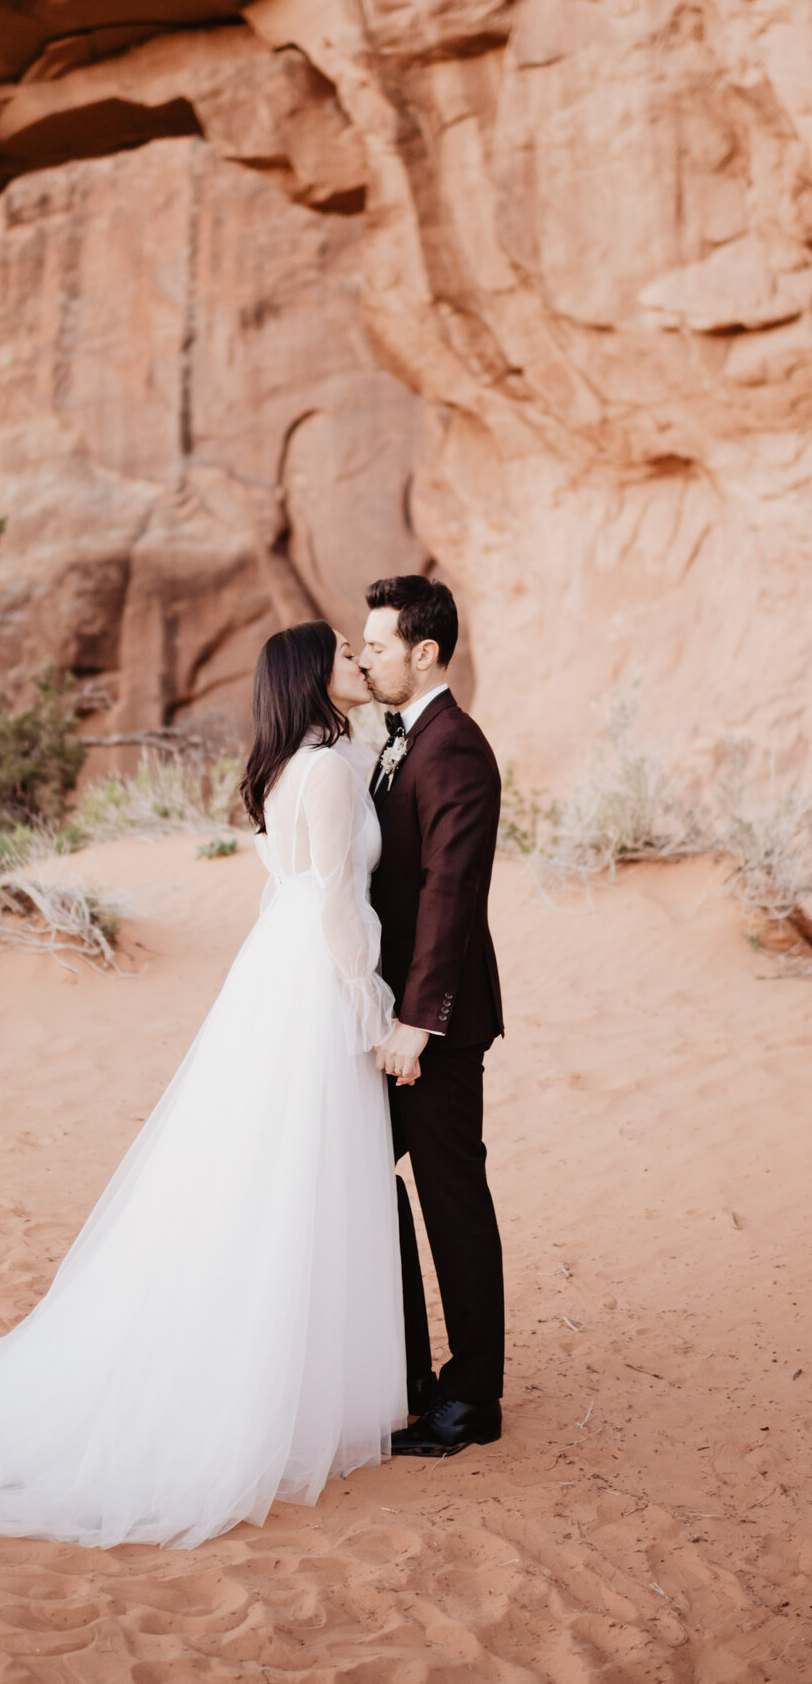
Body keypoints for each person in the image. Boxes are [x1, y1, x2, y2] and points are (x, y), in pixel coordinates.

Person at [0, 621, 406, 1550]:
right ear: (314, 678)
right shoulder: (332, 772)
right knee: (296, 1176)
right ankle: (283, 1393)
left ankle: (287, 1379)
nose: (359, 662)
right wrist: (371, 1007)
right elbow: (337, 906)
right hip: (314, 984)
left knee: (263, 1176)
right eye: (347, 655)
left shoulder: (286, 769)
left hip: (278, 977)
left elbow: (287, 899)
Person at [359, 574, 506, 1460]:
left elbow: (452, 893)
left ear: (425, 652)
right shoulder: (401, 742)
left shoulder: (453, 747)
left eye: (378, 646)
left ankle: (473, 1397)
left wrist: (420, 1021)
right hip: (391, 1017)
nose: (366, 657)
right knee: (350, 1175)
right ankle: (408, 1370)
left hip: (434, 1029)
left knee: (454, 1197)